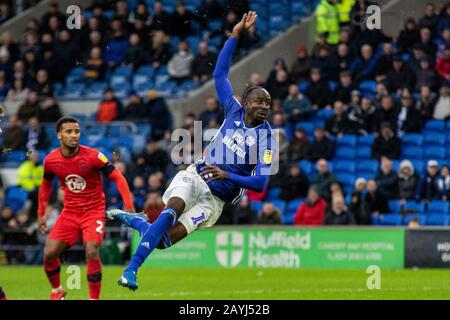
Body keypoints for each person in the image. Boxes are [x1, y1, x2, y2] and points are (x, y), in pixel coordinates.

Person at [107, 12, 276, 290]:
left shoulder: (267, 138)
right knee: (172, 207)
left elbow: (260, 183)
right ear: (245, 102)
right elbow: (219, 73)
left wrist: (227, 175)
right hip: (196, 176)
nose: (264, 106)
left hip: (216, 202)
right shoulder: (232, 110)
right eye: (259, 101)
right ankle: (131, 269)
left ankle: (138, 223)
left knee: (162, 240)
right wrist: (234, 35)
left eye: (267, 104)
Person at [37, 117, 135, 300]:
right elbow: (45, 187)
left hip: (93, 212)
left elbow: (117, 177)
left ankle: (93, 298)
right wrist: (41, 213)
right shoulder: (51, 160)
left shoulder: (93, 156)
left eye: (77, 131)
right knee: (49, 253)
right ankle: (57, 290)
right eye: (69, 132)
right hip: (70, 213)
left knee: (91, 250)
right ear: (59, 135)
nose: (74, 135)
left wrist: (128, 204)